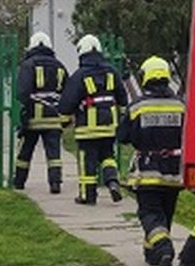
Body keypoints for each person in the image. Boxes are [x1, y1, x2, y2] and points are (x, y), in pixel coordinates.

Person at [121, 55, 186, 266]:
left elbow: (123, 136)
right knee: (165, 214)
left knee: (149, 213)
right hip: (174, 172)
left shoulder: (138, 106)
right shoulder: (181, 105)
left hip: (147, 170)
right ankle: (152, 254)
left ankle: (164, 249)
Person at [59, 35, 125, 206]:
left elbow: (68, 101)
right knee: (108, 156)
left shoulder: (80, 75)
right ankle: (112, 181)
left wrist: (64, 120)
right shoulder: (112, 71)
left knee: (87, 160)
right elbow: (122, 97)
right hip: (109, 125)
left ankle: (88, 196)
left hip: (87, 128)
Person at [11, 32, 70, 193]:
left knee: (25, 150)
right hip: (54, 117)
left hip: (33, 118)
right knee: (54, 153)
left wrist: (24, 112)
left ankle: (19, 181)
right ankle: (55, 183)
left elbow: (22, 92)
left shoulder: (28, 65)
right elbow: (68, 92)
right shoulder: (60, 66)